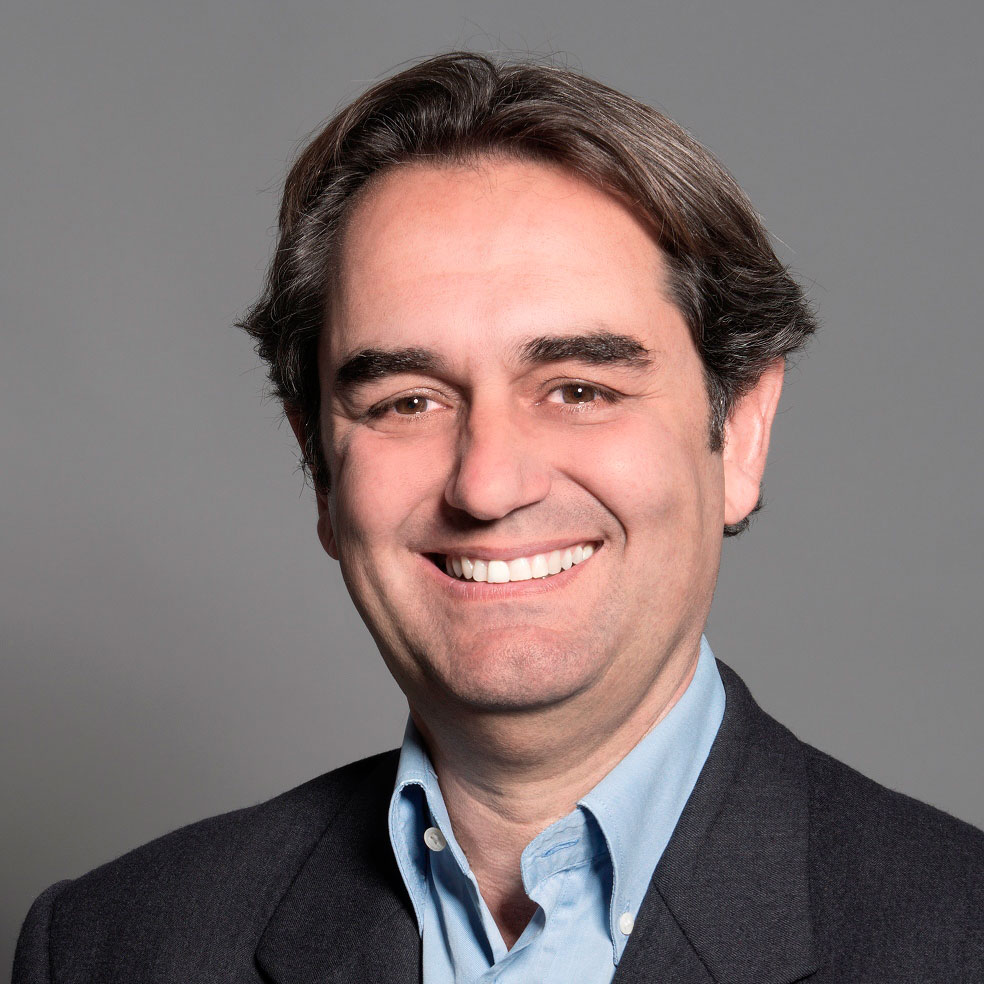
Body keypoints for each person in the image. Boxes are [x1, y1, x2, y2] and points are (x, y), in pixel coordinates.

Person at [13, 51, 983, 984]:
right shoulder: (109, 950)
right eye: (407, 401)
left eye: (579, 389)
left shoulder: (960, 936)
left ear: (743, 434)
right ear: (320, 471)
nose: (486, 485)